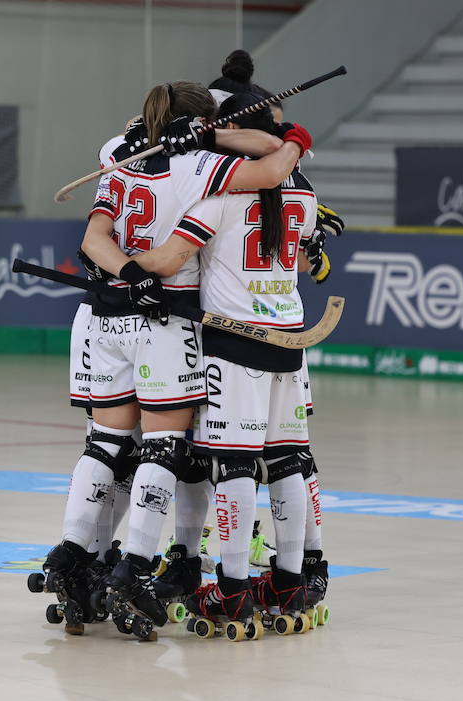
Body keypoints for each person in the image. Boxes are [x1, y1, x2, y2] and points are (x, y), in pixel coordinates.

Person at [49, 82, 307, 634]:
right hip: (169, 321)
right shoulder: (201, 167)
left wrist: (127, 273)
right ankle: (136, 569)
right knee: (169, 451)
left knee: (108, 446)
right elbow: (270, 167)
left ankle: (75, 558)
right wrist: (289, 137)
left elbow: (96, 237)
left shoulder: (117, 155)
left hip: (103, 314)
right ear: (200, 123)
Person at [130, 94, 322, 639]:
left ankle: (233, 589)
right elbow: (304, 252)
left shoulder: (219, 198)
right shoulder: (305, 192)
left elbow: (167, 260)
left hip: (233, 345)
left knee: (234, 466)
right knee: (286, 460)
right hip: (288, 338)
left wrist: (117, 270)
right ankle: (288, 581)